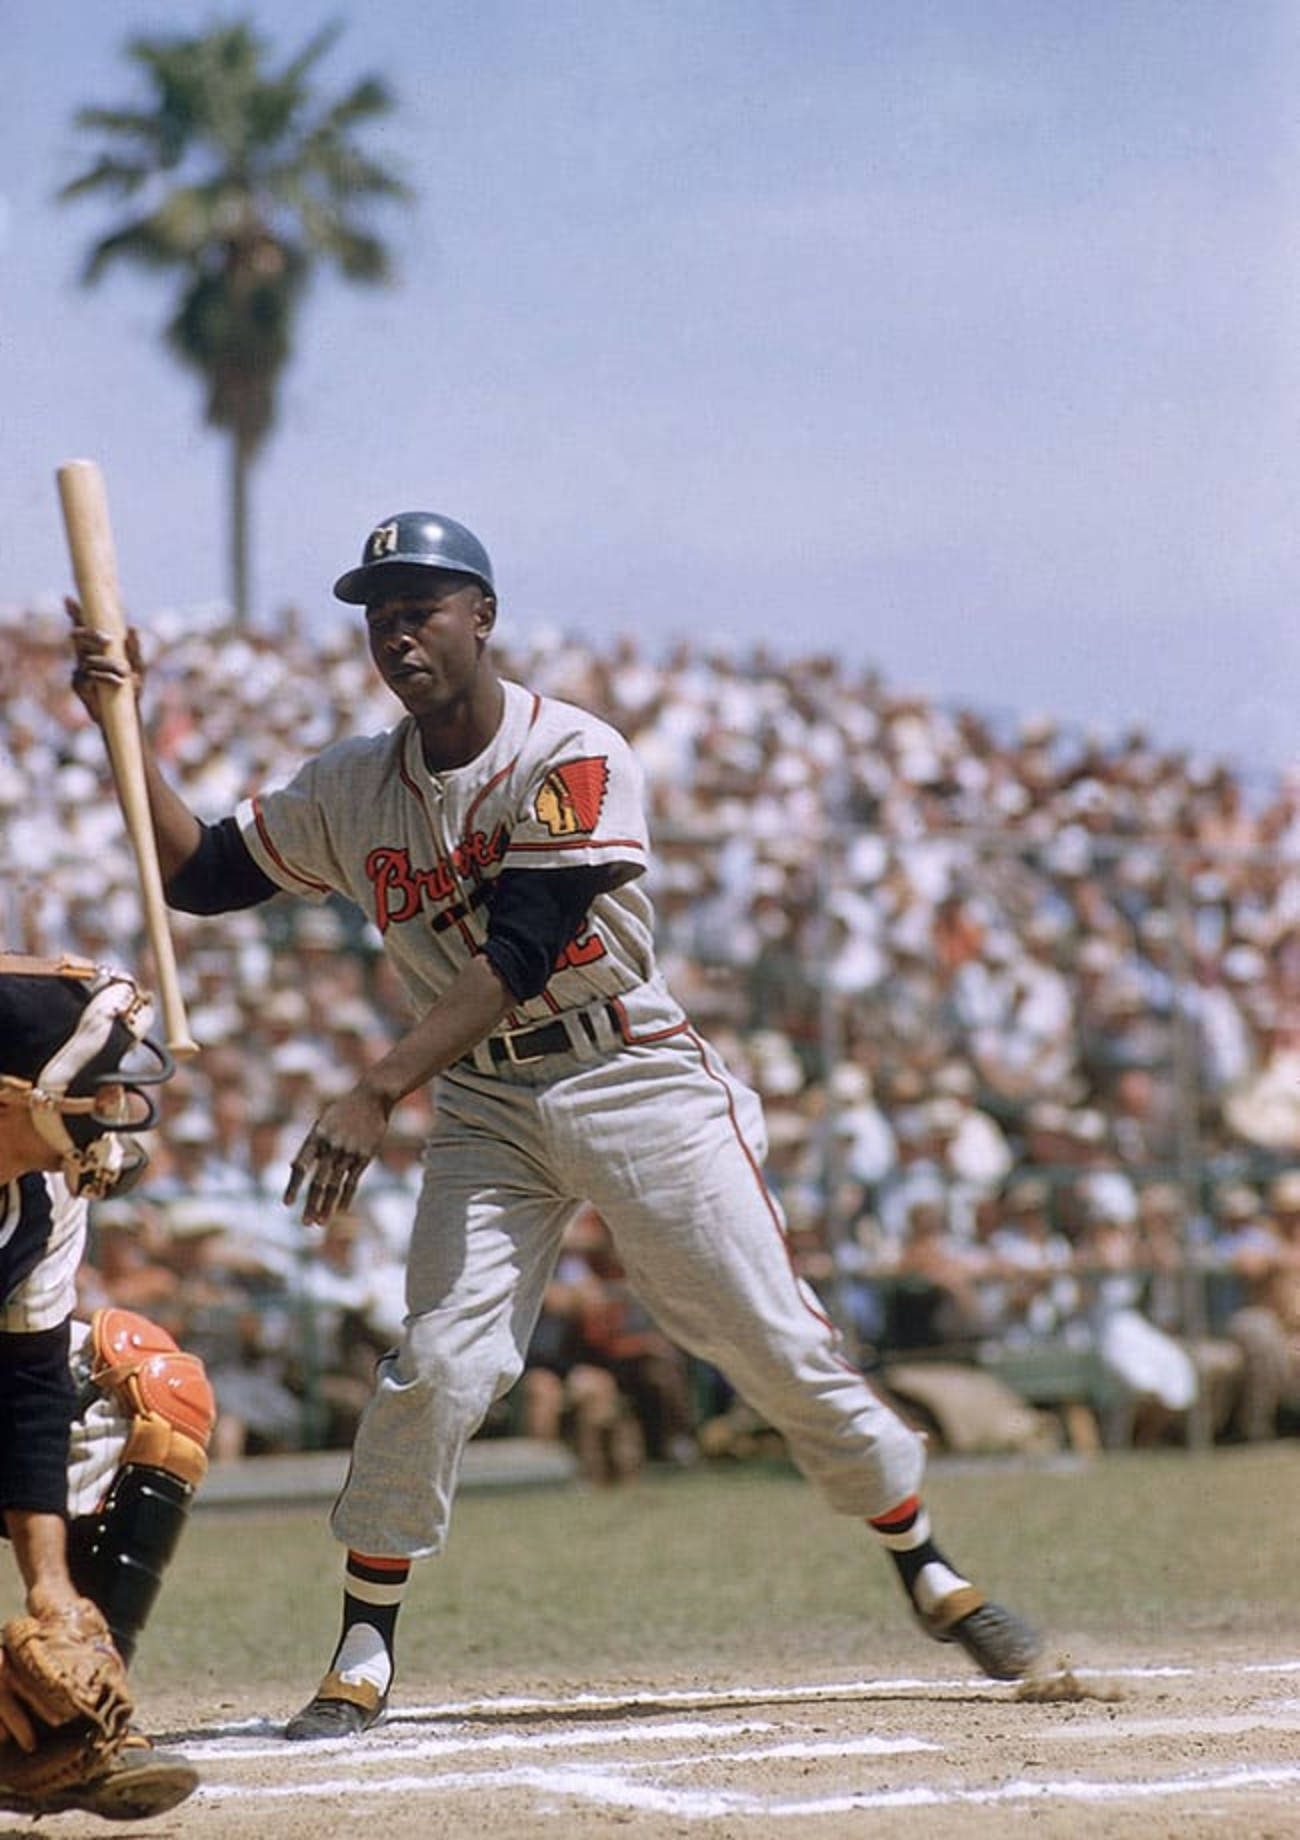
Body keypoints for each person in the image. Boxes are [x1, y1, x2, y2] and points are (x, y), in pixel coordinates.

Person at [70, 508, 1043, 1743]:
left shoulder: (572, 751)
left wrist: (374, 1088)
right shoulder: (352, 783)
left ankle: (924, 1561)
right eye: (379, 612)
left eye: (423, 605)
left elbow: (524, 951)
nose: (397, 632)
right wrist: (123, 724)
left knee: (761, 1335)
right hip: (480, 1096)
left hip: (628, 1070)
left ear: (483, 617)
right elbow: (202, 873)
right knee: (439, 1357)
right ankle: (365, 1642)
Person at [0, 953, 210, 1819]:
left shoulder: (47, 1190)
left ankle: (74, 1727)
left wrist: (51, 1587)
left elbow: (31, 1388)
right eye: (96, 1088)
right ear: (14, 1095)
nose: (115, 1107)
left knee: (147, 1384)